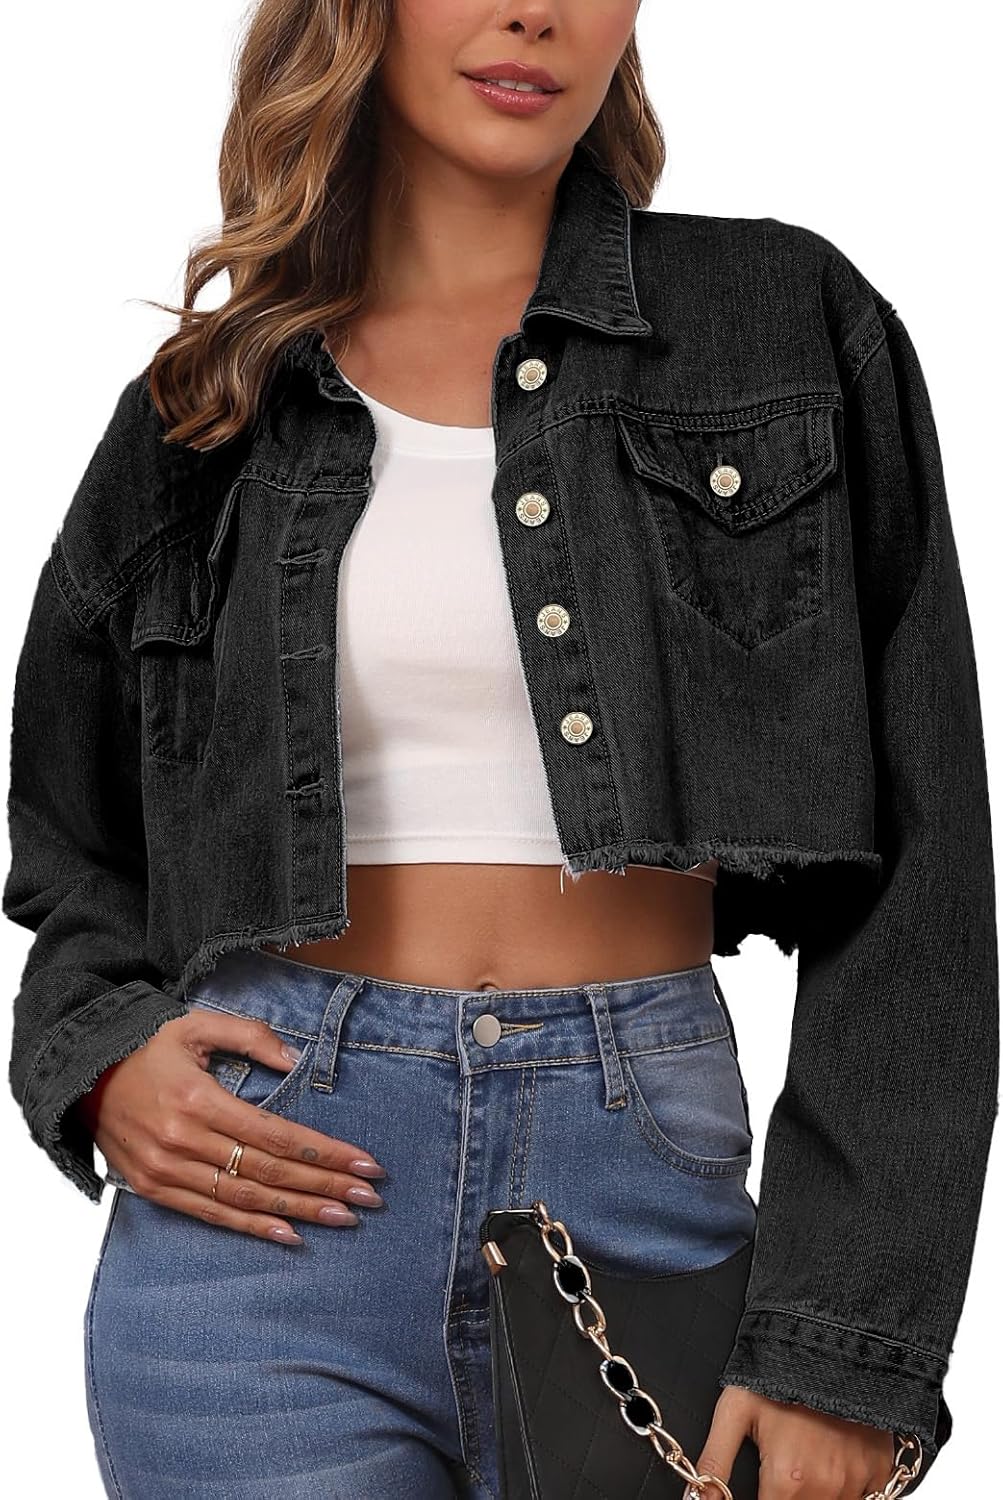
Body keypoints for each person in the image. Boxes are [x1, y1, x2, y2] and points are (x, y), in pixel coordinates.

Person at [4, 2, 996, 1497]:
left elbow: (928, 877)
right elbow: (74, 838)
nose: (536, 9)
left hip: (640, 1189)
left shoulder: (779, 322)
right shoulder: (208, 409)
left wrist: (844, 1341)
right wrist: (100, 1060)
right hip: (265, 1217)